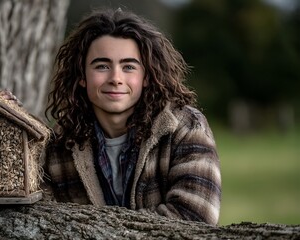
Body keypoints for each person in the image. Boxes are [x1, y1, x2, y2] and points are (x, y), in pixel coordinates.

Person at [43, 8, 221, 225]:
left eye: (128, 67)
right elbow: (43, 221)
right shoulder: (59, 146)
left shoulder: (185, 129)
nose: (116, 78)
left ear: (146, 76)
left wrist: (97, 230)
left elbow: (194, 219)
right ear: (82, 76)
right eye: (102, 66)